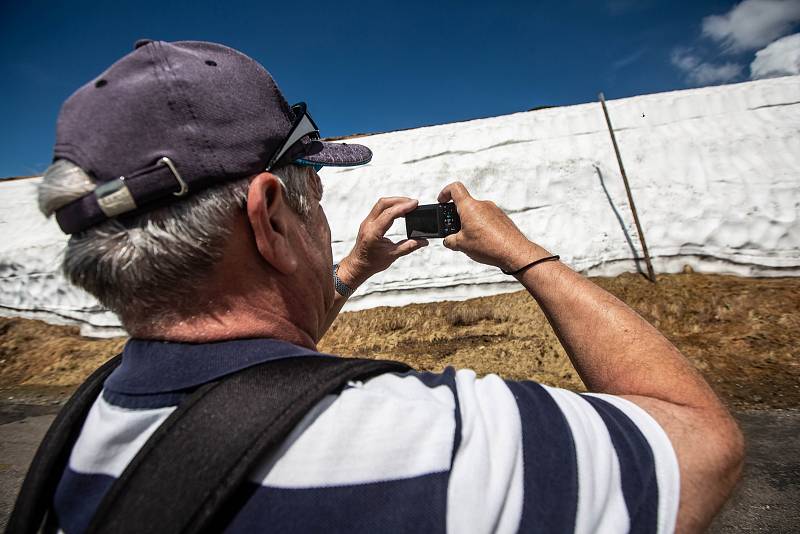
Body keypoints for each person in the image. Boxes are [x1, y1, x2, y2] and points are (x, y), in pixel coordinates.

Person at [36, 40, 743, 533]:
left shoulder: (86, 426)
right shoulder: (437, 441)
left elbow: (248, 370)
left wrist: (349, 275)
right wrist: (528, 258)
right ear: (270, 219)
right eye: (312, 197)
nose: (326, 225)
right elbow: (702, 445)